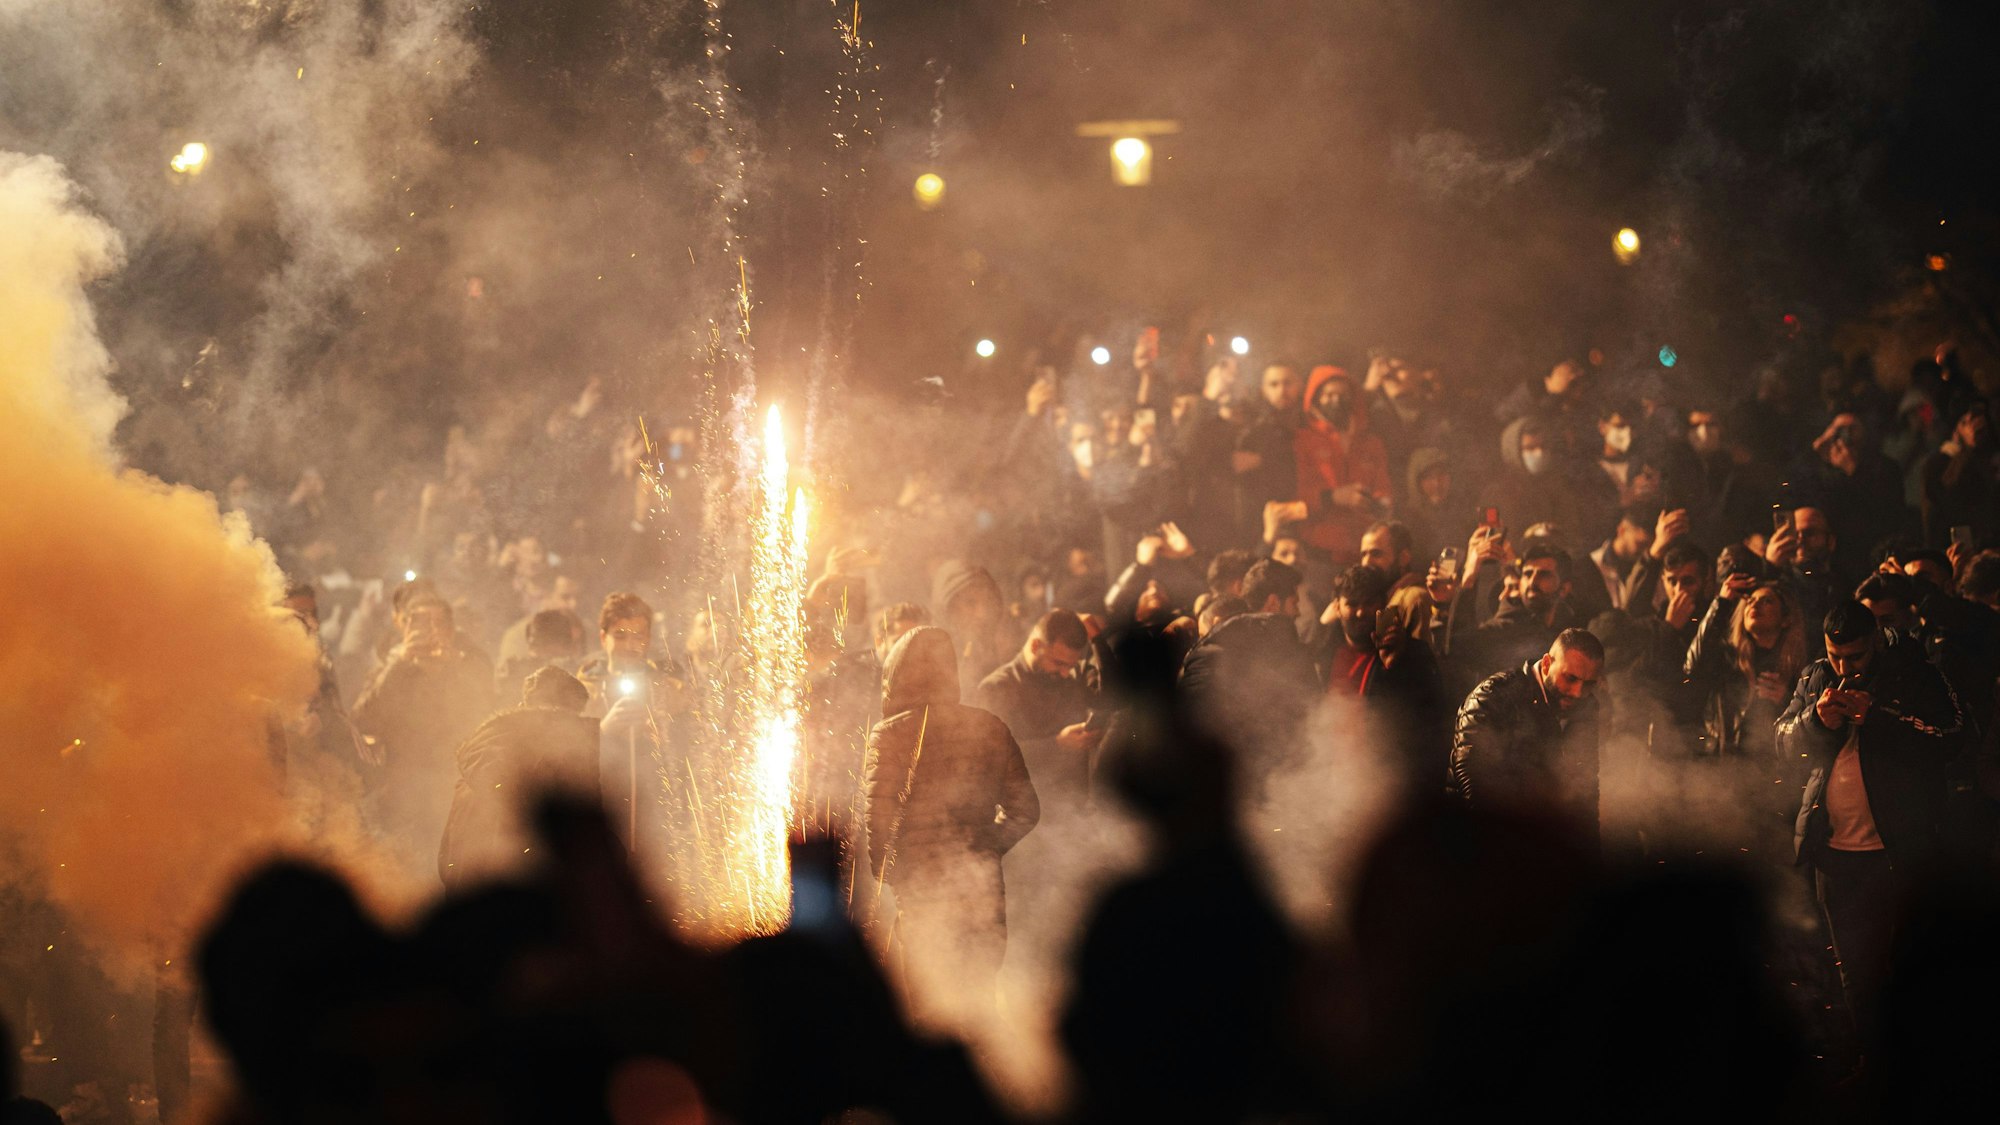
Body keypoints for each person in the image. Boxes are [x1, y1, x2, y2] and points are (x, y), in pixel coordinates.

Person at [1777, 601, 1962, 1044]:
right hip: (1836, 855)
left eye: (1855, 656)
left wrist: (1877, 718)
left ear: (1875, 640)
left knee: (1911, 967)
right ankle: (1870, 1062)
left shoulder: (1914, 672)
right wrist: (1816, 721)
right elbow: (1781, 744)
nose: (1844, 667)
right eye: (1835, 655)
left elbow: (1954, 738)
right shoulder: (1816, 676)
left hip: (1900, 851)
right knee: (1854, 972)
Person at [865, 627, 1040, 1026]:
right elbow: (1026, 809)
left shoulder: (889, 735)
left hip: (921, 888)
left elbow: (879, 817)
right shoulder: (989, 727)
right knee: (980, 993)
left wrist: (889, 872)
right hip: (980, 886)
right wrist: (985, 847)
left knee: (927, 1001)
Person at [351, 591, 495, 877]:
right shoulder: (391, 668)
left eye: (438, 623)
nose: (431, 631)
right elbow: (364, 721)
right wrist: (399, 664)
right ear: (404, 628)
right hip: (402, 790)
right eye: (420, 622)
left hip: (452, 788)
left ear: (451, 629)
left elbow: (483, 715)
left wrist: (454, 668)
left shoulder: (469, 664)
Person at [437, 666, 600, 888]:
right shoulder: (554, 772)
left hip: (470, 898)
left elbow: (449, 859)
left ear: (522, 704)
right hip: (522, 897)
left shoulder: (480, 760)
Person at [1448, 628, 1605, 836]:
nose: (1578, 692)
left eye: (1589, 684)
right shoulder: (1494, 697)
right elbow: (1473, 781)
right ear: (1547, 664)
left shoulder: (1585, 708)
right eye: (1570, 678)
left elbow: (1586, 788)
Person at [1320, 565, 1451, 792]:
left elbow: (1431, 722)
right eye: (1352, 604)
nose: (1361, 612)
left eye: (1369, 603)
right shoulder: (1322, 655)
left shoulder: (1413, 653)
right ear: (1337, 607)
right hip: (1329, 783)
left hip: (1388, 787)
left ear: (1383, 605)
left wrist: (1396, 665)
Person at [577, 593, 688, 850]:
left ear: (649, 639)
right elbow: (567, 752)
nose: (630, 645)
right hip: (600, 808)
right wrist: (602, 730)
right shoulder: (581, 690)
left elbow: (689, 753)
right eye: (620, 635)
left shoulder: (670, 690)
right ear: (603, 638)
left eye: (638, 636)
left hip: (655, 812)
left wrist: (661, 735)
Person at [976, 610, 1102, 814]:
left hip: (1070, 813)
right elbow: (992, 760)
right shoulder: (996, 688)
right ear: (1036, 646)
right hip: (1021, 817)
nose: (1065, 673)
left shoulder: (1068, 682)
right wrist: (1057, 744)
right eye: (1058, 663)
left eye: (1070, 666)